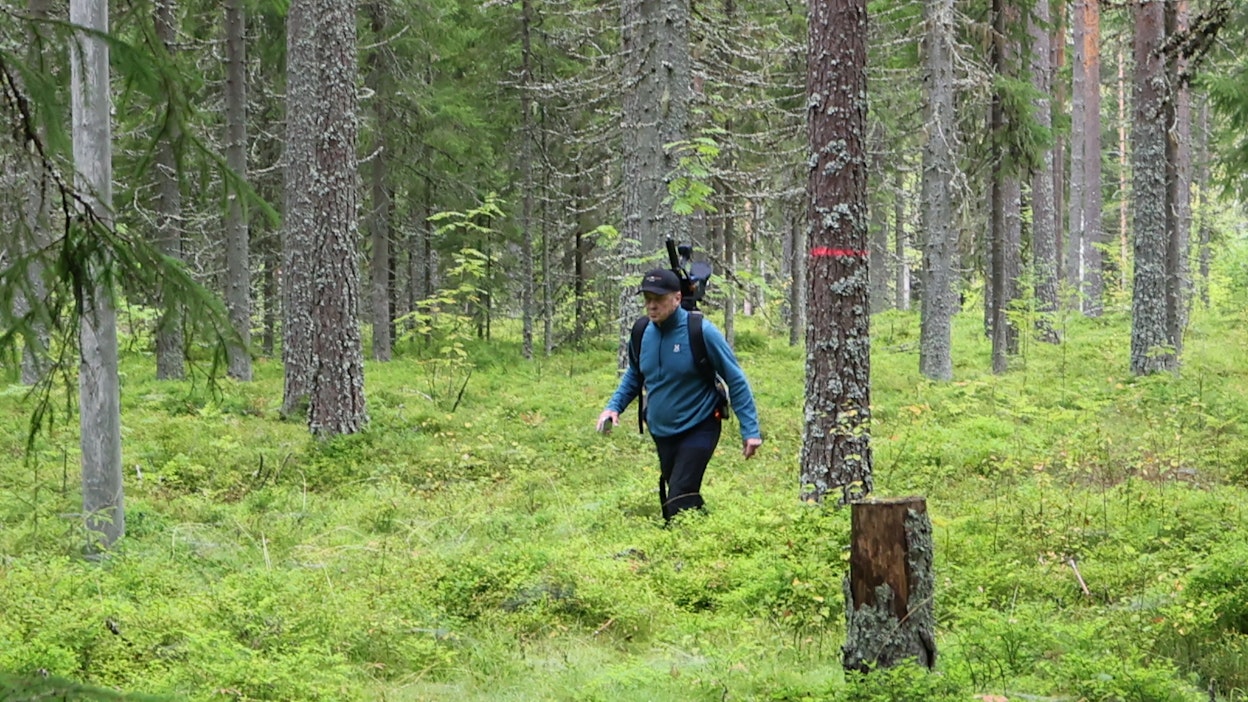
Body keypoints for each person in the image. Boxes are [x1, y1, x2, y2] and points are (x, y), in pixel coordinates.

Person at [597, 268, 763, 522]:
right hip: (662, 429)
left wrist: (750, 430)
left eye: (659, 300)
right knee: (678, 491)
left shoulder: (701, 331)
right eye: (648, 300)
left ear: (676, 298)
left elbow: (735, 379)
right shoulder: (642, 332)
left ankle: (683, 550)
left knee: (680, 494)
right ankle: (707, 535)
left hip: (701, 423)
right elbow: (635, 374)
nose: (652, 306)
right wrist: (613, 406)